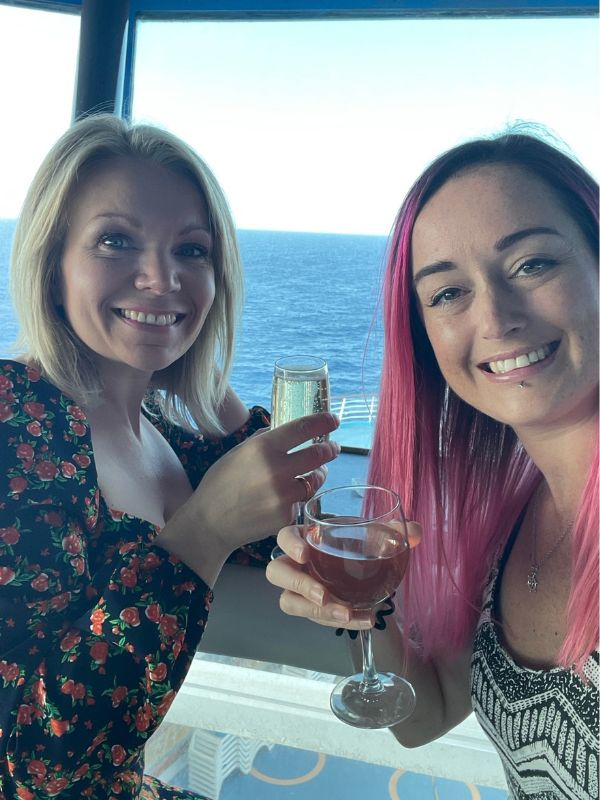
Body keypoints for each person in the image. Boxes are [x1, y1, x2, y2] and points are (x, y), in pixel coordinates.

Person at [0, 114, 340, 800]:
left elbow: (277, 532)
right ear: (52, 262)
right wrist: (204, 530)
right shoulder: (16, 419)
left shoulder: (160, 432)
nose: (161, 278)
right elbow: (35, 760)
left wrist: (211, 388)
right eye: (116, 241)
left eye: (191, 252)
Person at [266, 129, 599, 798]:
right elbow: (429, 714)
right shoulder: (515, 519)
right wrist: (358, 609)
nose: (496, 319)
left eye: (533, 263)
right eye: (448, 294)